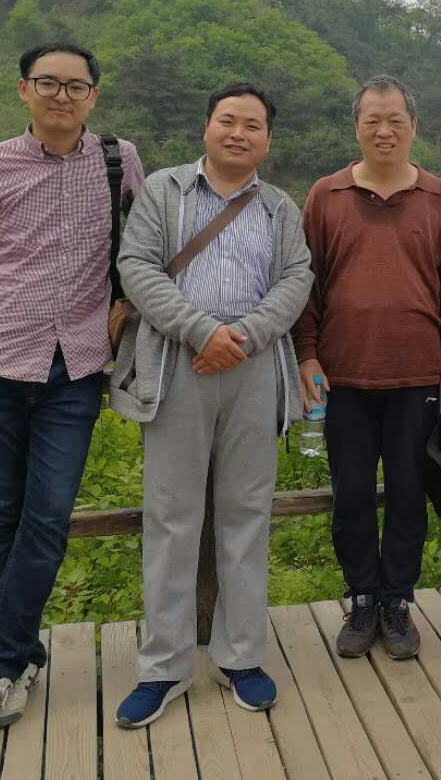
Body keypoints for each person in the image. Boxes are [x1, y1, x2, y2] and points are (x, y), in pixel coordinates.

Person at [0, 42, 143, 739]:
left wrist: (147, 310)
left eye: (76, 86)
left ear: (94, 95)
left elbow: (149, 247)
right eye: (48, 83)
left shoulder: (119, 161)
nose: (61, 96)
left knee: (47, 515)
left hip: (76, 367)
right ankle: (17, 659)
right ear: (24, 90)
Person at [111, 83, 312, 729]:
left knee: (247, 514)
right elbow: (137, 267)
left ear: (267, 140)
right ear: (207, 128)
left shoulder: (279, 207)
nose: (238, 133)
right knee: (171, 517)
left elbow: (297, 278)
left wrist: (243, 337)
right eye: (228, 120)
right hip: (177, 366)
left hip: (255, 369)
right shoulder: (163, 191)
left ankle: (241, 657)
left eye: (252, 125)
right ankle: (163, 666)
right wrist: (202, 332)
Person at [295, 76, 441, 660]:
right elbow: (306, 284)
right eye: (373, 120)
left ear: (413, 126)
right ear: (357, 127)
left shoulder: (439, 197)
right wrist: (307, 353)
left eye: (395, 119)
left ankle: (397, 600)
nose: (384, 130)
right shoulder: (326, 195)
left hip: (417, 374)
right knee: (349, 494)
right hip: (342, 375)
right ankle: (362, 596)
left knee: (408, 493)